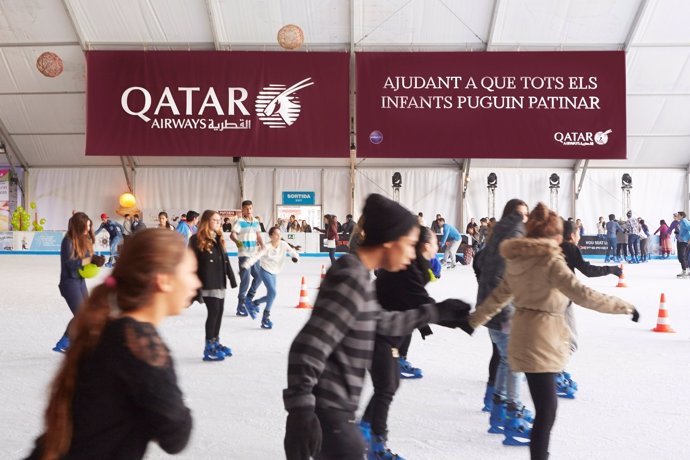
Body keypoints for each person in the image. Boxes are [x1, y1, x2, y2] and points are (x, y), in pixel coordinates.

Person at [282, 194, 472, 460]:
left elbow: (380, 321)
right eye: (408, 245)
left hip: (337, 410)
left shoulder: (358, 274)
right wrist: (301, 410)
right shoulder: (350, 277)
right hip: (328, 412)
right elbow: (308, 344)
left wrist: (434, 312)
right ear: (388, 242)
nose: (411, 254)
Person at [468, 203, 638, 460]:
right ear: (554, 237)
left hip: (521, 336)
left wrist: (473, 320)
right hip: (543, 340)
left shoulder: (518, 260)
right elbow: (583, 294)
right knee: (547, 411)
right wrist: (624, 306)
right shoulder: (551, 263)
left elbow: (498, 297)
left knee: (543, 408)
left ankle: (513, 417)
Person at [26, 229, 198, 459]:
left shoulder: (109, 327)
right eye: (191, 272)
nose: (196, 282)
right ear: (164, 280)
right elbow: (176, 434)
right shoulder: (140, 345)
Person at [360, 225, 443, 458]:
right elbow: (420, 302)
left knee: (390, 384)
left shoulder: (415, 266)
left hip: (385, 332)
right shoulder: (407, 268)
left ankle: (365, 427)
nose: (438, 245)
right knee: (386, 387)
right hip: (376, 333)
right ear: (426, 246)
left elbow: (414, 303)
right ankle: (376, 448)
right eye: (435, 242)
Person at [473, 199, 532, 444]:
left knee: (506, 361)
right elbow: (501, 276)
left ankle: (499, 413)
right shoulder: (513, 235)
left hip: (491, 310)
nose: (526, 219)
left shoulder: (497, 235)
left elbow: (481, 265)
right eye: (524, 214)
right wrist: (508, 311)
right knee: (515, 362)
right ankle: (512, 418)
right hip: (503, 312)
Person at [558, 219, 623, 397]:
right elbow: (588, 270)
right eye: (578, 233)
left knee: (554, 339)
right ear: (572, 235)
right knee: (571, 342)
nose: (579, 236)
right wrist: (611, 269)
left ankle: (547, 371)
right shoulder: (570, 247)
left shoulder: (554, 247)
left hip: (550, 299)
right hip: (563, 299)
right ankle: (554, 374)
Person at [190, 210, 238, 362]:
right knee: (214, 312)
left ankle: (215, 342)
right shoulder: (196, 239)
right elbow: (191, 263)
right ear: (206, 221)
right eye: (215, 220)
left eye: (219, 220)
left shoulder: (218, 237)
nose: (218, 222)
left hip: (219, 280)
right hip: (207, 281)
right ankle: (208, 347)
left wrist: (231, 277)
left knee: (219, 312)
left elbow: (225, 259)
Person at [52, 213, 103, 353]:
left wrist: (96, 259)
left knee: (86, 313)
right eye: (85, 226)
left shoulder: (84, 239)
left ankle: (67, 341)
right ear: (78, 226)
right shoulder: (67, 241)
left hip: (80, 281)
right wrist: (90, 260)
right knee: (82, 315)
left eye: (89, 226)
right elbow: (70, 263)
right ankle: (66, 343)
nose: (88, 229)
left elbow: (87, 259)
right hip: (69, 283)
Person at [242, 227, 299, 329]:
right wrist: (246, 265)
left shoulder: (283, 244)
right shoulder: (266, 247)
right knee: (273, 292)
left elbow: (292, 251)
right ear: (271, 236)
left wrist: (295, 257)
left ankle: (254, 303)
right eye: (276, 234)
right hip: (265, 271)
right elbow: (256, 256)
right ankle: (266, 317)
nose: (278, 236)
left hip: (275, 272)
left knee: (271, 295)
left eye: (279, 234)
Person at [231, 200, 265, 316]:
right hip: (244, 254)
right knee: (245, 280)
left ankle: (248, 298)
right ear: (243, 210)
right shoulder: (239, 221)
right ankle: (240, 306)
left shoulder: (256, 222)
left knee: (260, 276)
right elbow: (233, 234)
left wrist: (263, 246)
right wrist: (237, 242)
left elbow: (258, 235)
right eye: (247, 209)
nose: (249, 211)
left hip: (254, 255)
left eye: (251, 208)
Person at [675, 211, 690, 278]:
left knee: (682, 256)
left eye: (678, 215)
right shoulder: (681, 222)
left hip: (684, 241)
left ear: (681, 216)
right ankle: (685, 270)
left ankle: (685, 271)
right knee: (681, 257)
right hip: (681, 241)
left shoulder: (684, 221)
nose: (677, 216)